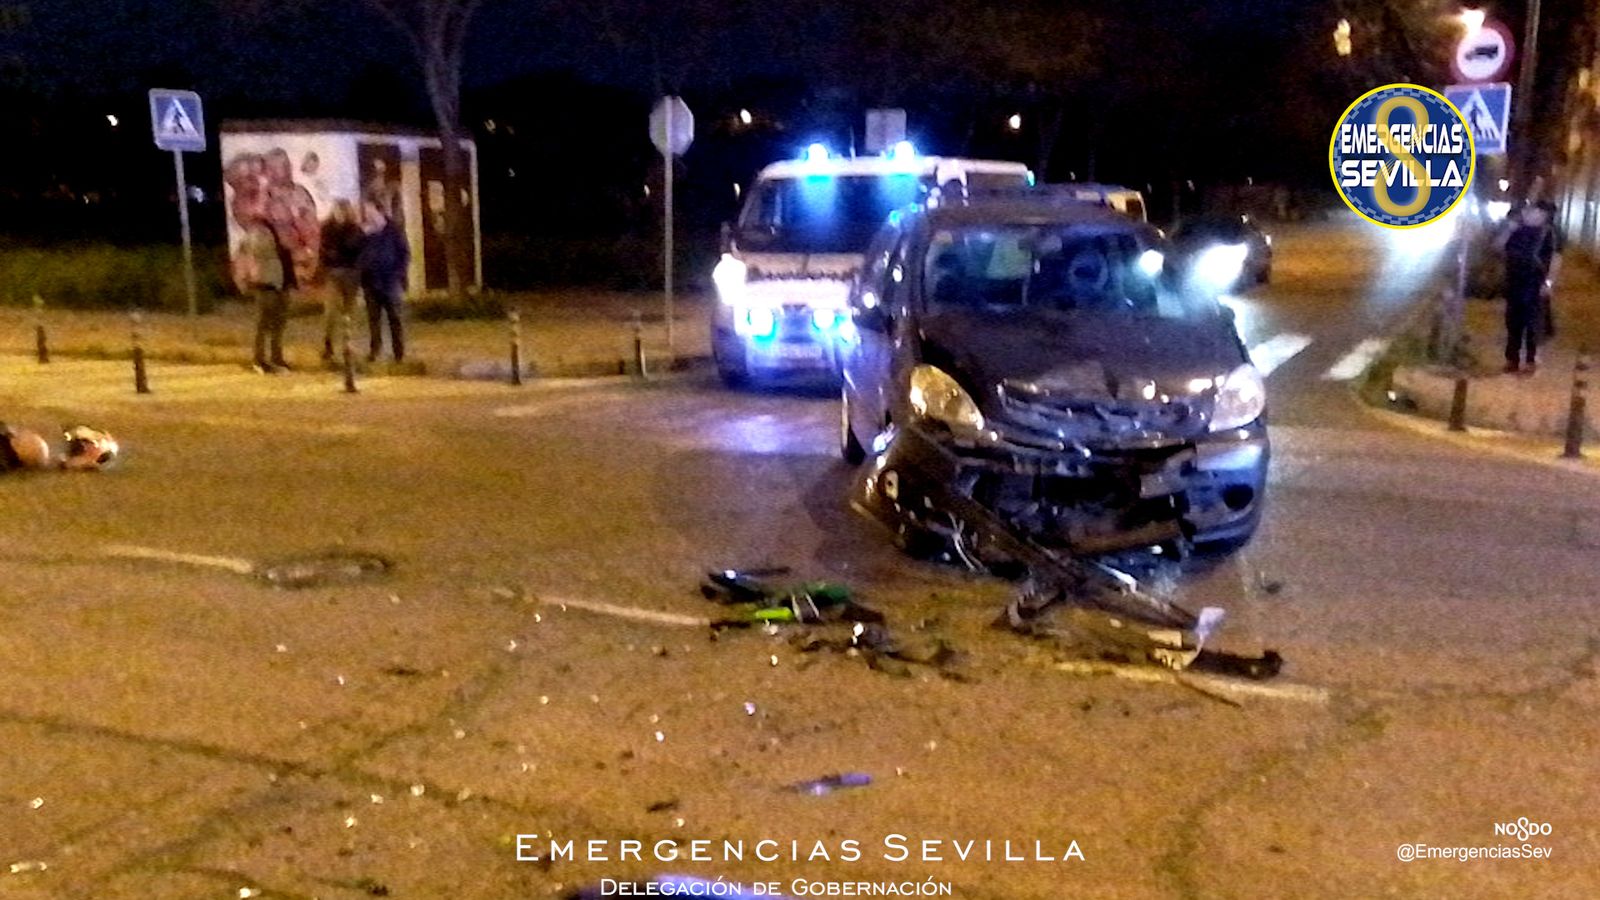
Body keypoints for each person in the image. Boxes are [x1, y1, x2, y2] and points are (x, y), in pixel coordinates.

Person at [1497, 201, 1561, 375]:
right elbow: (1498, 247)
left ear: (1544, 216)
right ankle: (1512, 360)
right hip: (1514, 282)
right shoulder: (1516, 228)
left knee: (1533, 323)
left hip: (1535, 283)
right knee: (1513, 322)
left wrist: (1548, 282)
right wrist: (1509, 229)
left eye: (1537, 213)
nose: (1531, 215)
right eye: (1531, 212)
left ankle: (1531, 361)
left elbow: (1556, 258)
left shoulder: (1549, 233)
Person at [357, 200, 410, 363]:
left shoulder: (392, 230)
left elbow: (404, 252)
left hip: (390, 280)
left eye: (369, 210)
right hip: (370, 281)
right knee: (374, 318)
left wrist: (398, 273)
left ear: (379, 211)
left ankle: (398, 353)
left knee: (395, 317)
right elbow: (357, 254)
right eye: (365, 211)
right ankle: (375, 350)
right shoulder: (364, 233)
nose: (366, 214)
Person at [239, 220, 293, 374]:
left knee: (278, 325)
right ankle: (259, 360)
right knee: (262, 325)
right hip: (265, 285)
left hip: (281, 285)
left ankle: (276, 357)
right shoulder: (259, 230)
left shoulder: (275, 229)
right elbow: (257, 250)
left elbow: (285, 257)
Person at [318, 199, 365, 362]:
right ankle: (328, 345)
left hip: (350, 273)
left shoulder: (354, 228)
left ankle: (348, 345)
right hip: (334, 272)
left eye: (344, 210)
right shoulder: (327, 228)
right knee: (331, 311)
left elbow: (357, 249)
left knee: (349, 312)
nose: (341, 214)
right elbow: (324, 250)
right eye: (338, 210)